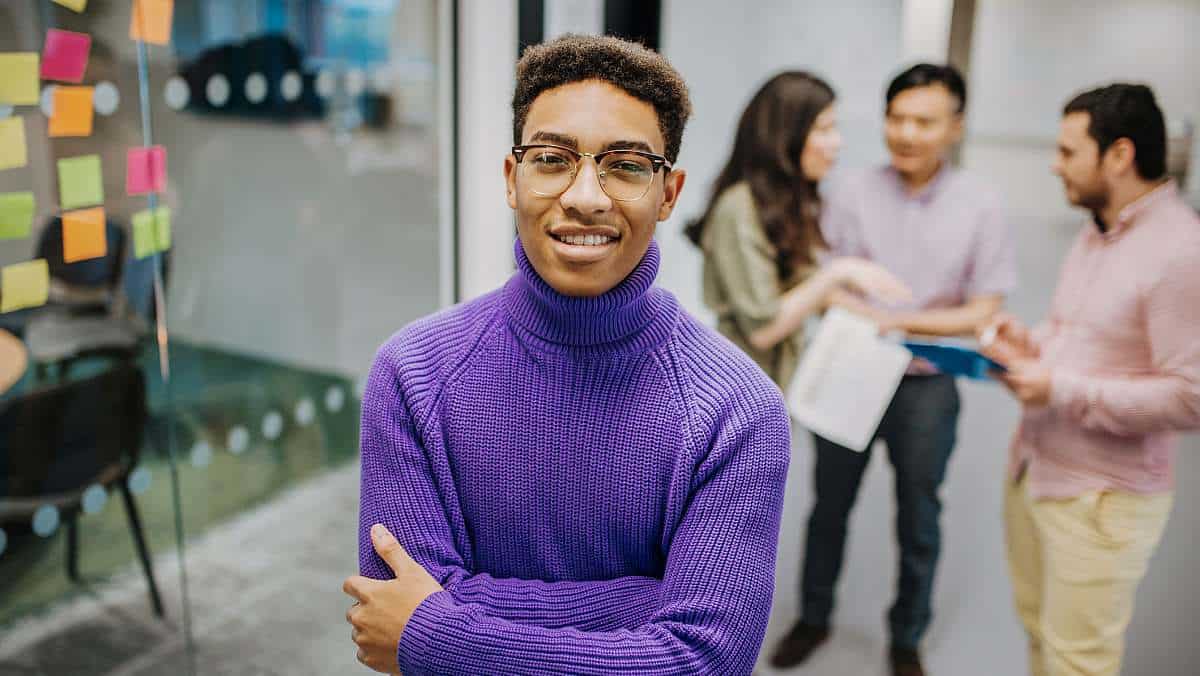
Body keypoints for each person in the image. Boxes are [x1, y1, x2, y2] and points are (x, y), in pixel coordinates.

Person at [342, 34, 792, 675]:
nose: (585, 196)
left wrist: (445, 636)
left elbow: (701, 663)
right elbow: (392, 605)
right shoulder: (414, 373)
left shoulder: (736, 409)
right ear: (511, 176)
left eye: (627, 165)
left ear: (668, 193)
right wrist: (641, 604)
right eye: (552, 158)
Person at [771, 63, 1016, 676]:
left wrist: (895, 325)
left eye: (924, 121)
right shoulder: (849, 192)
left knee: (919, 513)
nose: (906, 133)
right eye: (896, 118)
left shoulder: (980, 206)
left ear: (955, 127)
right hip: (851, 370)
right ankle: (813, 617)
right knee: (828, 505)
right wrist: (873, 317)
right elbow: (818, 282)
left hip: (927, 386)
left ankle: (906, 636)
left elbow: (985, 308)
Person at [982, 83, 1200, 676]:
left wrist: (1059, 388)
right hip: (1037, 471)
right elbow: (1079, 334)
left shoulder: (1181, 252)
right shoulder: (1097, 229)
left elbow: (1191, 396)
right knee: (1041, 636)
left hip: (1101, 497)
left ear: (1119, 155)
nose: (1055, 165)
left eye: (1067, 151)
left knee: (1079, 662)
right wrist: (1029, 345)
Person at [686, 71, 911, 391]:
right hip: (736, 389)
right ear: (785, 135)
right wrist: (840, 272)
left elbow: (809, 292)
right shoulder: (739, 207)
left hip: (773, 387)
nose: (837, 143)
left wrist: (892, 323)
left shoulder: (784, 205)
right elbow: (764, 329)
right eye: (824, 129)